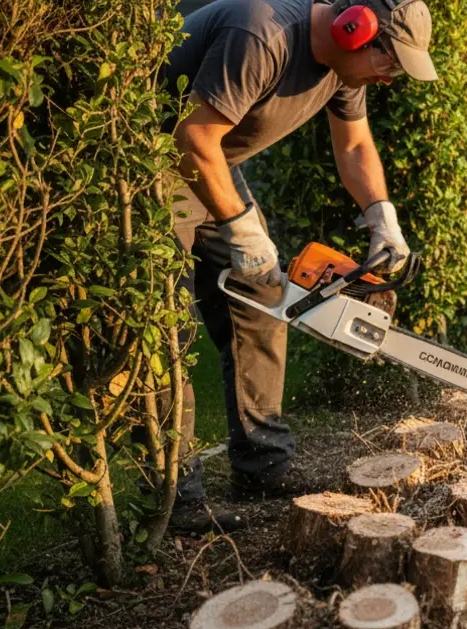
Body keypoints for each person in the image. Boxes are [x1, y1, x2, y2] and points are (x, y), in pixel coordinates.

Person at [157, 0, 437, 533]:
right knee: (161, 330)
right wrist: (241, 226)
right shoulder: (262, 36)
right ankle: (175, 496)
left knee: (261, 300)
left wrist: (381, 217)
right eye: (390, 62)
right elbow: (192, 137)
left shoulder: (342, 70)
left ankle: (262, 465)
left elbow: (354, 144)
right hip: (146, 165)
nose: (390, 78)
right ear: (355, 29)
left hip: (209, 166)